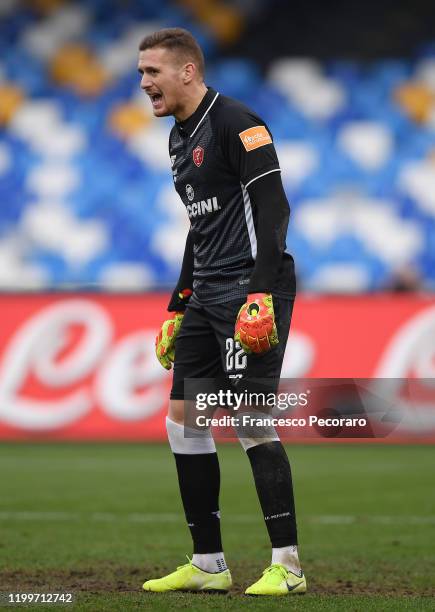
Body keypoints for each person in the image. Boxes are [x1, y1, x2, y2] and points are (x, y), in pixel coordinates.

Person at [138, 28, 306, 596]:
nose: (143, 83)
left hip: (249, 294)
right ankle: (209, 563)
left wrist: (260, 292)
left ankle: (288, 565)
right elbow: (199, 227)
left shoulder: (238, 122)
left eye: (152, 72)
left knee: (253, 422)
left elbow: (273, 207)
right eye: (141, 73)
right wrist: (176, 304)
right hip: (206, 296)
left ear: (188, 71)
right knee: (183, 423)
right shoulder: (178, 139)